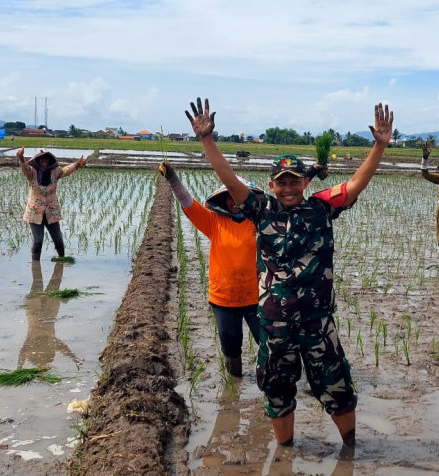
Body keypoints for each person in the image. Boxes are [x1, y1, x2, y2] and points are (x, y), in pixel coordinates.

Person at [184, 97, 393, 448]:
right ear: (272, 184)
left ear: (304, 182)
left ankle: (350, 449)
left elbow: (357, 183)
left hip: (318, 321)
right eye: (281, 182)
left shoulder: (322, 207)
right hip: (275, 321)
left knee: (336, 383)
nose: (288, 187)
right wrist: (207, 139)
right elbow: (228, 178)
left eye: (294, 180)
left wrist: (379, 145)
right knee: (277, 387)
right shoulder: (260, 208)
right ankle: (285, 453)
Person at [158, 160, 264, 378]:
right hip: (224, 298)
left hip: (258, 296)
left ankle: (271, 384)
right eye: (231, 197)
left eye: (241, 197)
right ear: (225, 201)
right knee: (231, 347)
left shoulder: (261, 222)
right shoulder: (214, 223)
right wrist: (172, 178)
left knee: (269, 343)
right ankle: (234, 385)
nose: (236, 202)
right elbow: (188, 204)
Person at [16, 147, 86, 261]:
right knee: (38, 240)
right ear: (38, 161)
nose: (44, 162)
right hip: (34, 212)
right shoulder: (32, 172)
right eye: (41, 160)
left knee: (58, 238)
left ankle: (62, 259)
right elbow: (24, 168)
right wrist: (20, 157)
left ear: (49, 161)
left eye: (46, 160)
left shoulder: (55, 171)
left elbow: (65, 171)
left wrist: (78, 164)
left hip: (51, 211)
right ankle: (36, 265)